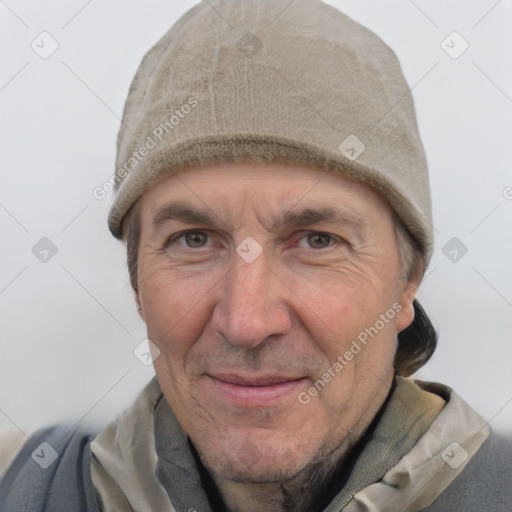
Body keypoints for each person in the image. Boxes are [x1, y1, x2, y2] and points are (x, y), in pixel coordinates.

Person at [1, 1, 510, 511]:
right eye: (194, 240)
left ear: (407, 282)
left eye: (316, 241)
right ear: (136, 281)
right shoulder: (31, 488)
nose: (246, 321)